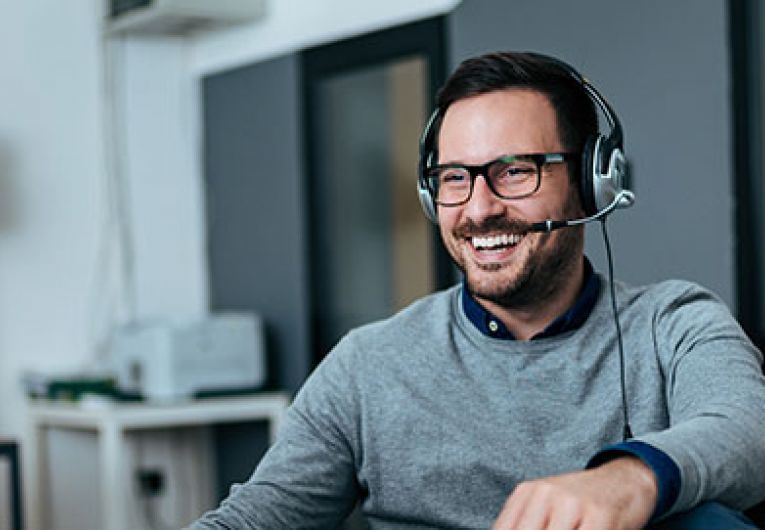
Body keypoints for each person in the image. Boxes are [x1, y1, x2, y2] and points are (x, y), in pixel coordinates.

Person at [190, 51, 765, 529]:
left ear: (591, 185)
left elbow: (747, 431)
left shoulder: (674, 323)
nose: (480, 208)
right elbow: (253, 519)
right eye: (454, 178)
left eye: (515, 171)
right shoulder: (366, 365)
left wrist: (632, 477)